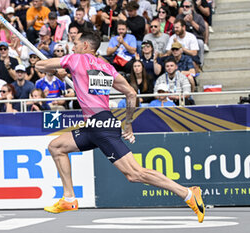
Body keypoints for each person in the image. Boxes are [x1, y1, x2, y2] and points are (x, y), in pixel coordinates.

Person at [35, 30, 205, 223]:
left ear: (85, 47)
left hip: (100, 126)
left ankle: (188, 194)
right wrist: (129, 124)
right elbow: (131, 94)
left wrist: (50, 68)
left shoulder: (76, 59)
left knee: (135, 174)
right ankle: (69, 198)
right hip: (97, 123)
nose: (72, 47)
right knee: (56, 147)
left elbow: (41, 64)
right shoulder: (106, 67)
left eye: (75, 44)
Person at [176, 0, 205, 65]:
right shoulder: (179, 17)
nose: (184, 8)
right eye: (183, 6)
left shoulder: (198, 17)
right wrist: (183, 22)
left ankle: (200, 64)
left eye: (187, 6)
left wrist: (192, 22)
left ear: (192, 7)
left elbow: (202, 30)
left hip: (196, 38)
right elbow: (174, 30)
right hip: (182, 38)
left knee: (200, 43)